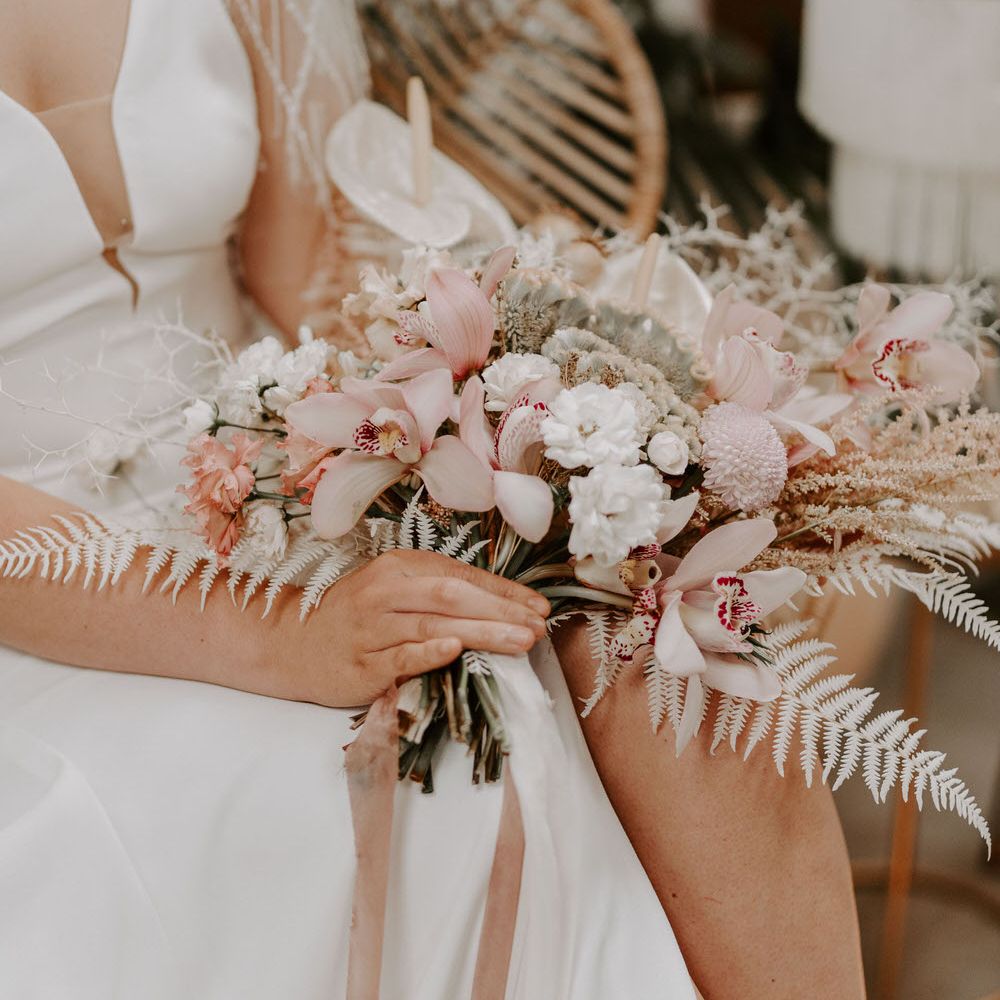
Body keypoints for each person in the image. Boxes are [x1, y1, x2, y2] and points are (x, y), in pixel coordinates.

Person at [0, 1, 863, 996]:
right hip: (52, 584)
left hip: (274, 468)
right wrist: (283, 633)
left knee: (659, 639)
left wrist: (500, 409)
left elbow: (303, 275)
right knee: (422, 776)